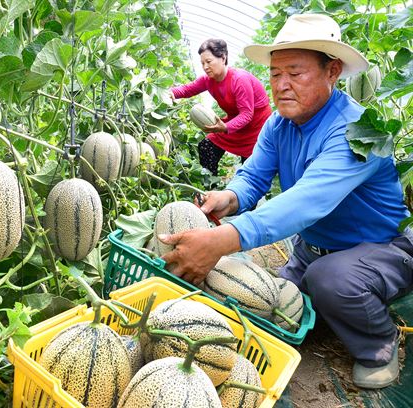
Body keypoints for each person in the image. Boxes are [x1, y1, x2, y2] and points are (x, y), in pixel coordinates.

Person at [160, 13, 412, 389]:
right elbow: (253, 177)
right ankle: (336, 305)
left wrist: (222, 240)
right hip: (313, 249)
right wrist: (227, 198)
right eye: (276, 74)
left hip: (383, 249)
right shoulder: (279, 125)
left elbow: (305, 202)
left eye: (295, 73)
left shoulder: (358, 131)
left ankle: (380, 342)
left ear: (333, 72)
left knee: (330, 280)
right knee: (271, 306)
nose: (282, 85)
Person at [170, 39, 272, 176]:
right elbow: (186, 90)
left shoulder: (239, 80)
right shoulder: (208, 80)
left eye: (209, 61)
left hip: (256, 128)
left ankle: (245, 194)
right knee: (206, 146)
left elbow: (247, 114)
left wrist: (225, 127)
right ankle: (210, 185)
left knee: (249, 171)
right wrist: (169, 94)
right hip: (235, 122)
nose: (205, 66)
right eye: (202, 63)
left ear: (223, 58)